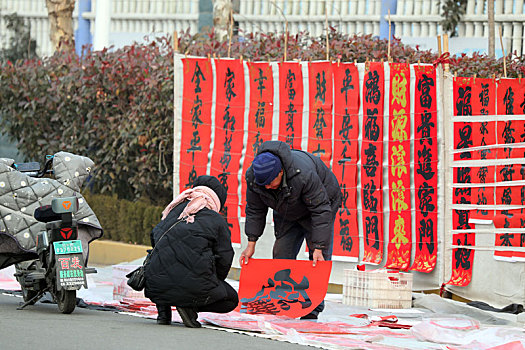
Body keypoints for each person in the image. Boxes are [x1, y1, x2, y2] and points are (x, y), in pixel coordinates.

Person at [239, 140, 342, 320]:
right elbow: (255, 210)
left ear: (281, 172)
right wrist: (251, 242)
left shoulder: (303, 174)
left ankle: (313, 308)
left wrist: (318, 246)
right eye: (264, 185)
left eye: (271, 183)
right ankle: (283, 302)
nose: (267, 187)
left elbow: (320, 211)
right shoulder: (254, 177)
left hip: (320, 205)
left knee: (318, 257)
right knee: (281, 253)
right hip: (286, 208)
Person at [144, 175, 238, 328]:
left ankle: (163, 311)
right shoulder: (215, 219)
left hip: (155, 285)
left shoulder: (172, 210)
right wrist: (214, 280)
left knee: (166, 269)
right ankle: (189, 305)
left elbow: (155, 237)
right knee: (231, 299)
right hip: (193, 286)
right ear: (217, 199)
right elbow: (225, 257)